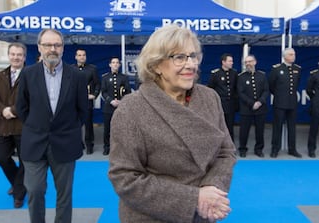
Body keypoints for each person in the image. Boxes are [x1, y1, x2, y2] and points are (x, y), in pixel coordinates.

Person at [108, 25, 236, 223]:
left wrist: (212, 187)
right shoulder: (131, 110)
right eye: (179, 57)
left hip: (203, 214)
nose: (191, 64)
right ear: (156, 65)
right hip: (152, 217)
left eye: (193, 56)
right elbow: (125, 178)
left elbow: (225, 152)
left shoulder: (210, 98)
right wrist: (193, 198)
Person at [16, 29, 88, 223]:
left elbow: (82, 111)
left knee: (64, 195)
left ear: (63, 48)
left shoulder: (77, 76)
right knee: (35, 190)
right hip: (34, 142)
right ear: (39, 47)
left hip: (65, 143)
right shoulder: (28, 74)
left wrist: (68, 130)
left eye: (57, 45)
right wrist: (36, 125)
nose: (52, 49)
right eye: (47, 45)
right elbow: (21, 108)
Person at [0, 42, 27, 208]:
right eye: (13, 54)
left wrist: (12, 110)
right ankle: (19, 184)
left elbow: (32, 99)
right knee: (2, 158)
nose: (16, 57)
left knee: (25, 161)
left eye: (19, 54)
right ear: (9, 55)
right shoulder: (1, 75)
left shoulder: (30, 75)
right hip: (4, 125)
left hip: (23, 126)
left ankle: (19, 194)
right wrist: (3, 110)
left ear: (24, 57)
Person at [268, 48, 302, 158]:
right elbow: (271, 85)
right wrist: (279, 95)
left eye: (294, 54)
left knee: (292, 127)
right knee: (277, 127)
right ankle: (275, 148)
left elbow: (297, 84)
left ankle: (292, 149)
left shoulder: (297, 69)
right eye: (291, 54)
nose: (293, 56)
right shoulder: (277, 69)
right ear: (285, 56)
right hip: (280, 102)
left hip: (292, 103)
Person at [237, 55, 269, 158]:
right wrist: (252, 103)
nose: (248, 64)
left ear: (255, 62)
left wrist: (260, 102)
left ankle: (259, 149)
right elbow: (241, 93)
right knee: (244, 131)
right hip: (246, 108)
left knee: (260, 130)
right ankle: (242, 149)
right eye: (246, 62)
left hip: (260, 108)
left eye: (250, 61)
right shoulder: (241, 77)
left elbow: (266, 90)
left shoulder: (262, 75)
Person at [72, 48, 100, 154]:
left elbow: (97, 83)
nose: (81, 57)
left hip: (87, 101)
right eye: (79, 55)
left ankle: (89, 145)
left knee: (88, 124)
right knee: (75, 125)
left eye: (83, 55)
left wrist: (94, 94)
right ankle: (78, 144)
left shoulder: (92, 69)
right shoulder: (71, 69)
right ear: (76, 57)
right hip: (74, 102)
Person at [101, 57, 131, 155]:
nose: (115, 64)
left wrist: (121, 102)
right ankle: (107, 147)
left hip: (121, 107)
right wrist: (111, 101)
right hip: (108, 107)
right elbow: (104, 92)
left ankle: (120, 148)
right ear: (110, 65)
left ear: (119, 65)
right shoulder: (105, 77)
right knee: (107, 128)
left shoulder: (124, 77)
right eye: (113, 62)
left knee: (121, 128)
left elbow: (128, 91)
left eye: (117, 62)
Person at [207, 53, 238, 142]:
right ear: (223, 62)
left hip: (230, 104)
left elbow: (235, 89)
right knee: (219, 126)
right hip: (220, 104)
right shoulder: (216, 74)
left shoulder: (234, 73)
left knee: (230, 126)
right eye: (230, 61)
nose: (232, 63)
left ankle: (230, 145)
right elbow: (210, 89)